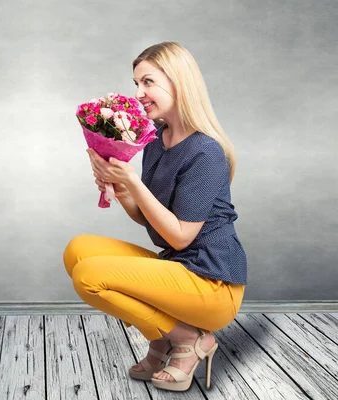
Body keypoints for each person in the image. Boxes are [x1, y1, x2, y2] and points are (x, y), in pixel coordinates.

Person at [63, 41, 247, 392]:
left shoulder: (205, 151)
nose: (138, 93)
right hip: (177, 267)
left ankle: (189, 340)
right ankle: (165, 342)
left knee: (89, 275)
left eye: (147, 82)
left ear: (178, 82)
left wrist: (132, 180)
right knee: (78, 249)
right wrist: (121, 191)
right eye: (136, 83)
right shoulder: (155, 141)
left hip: (212, 284)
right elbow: (153, 221)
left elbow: (180, 237)